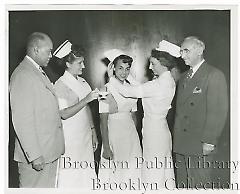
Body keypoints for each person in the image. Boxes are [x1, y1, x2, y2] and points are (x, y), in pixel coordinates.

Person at [108, 41, 180, 188]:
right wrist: (126, 77)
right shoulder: (166, 81)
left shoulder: (159, 84)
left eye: (153, 63)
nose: (149, 67)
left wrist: (111, 79)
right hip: (161, 130)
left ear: (162, 63)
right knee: (163, 170)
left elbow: (129, 92)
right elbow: (142, 88)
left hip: (154, 133)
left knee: (153, 170)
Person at [9, 32, 65, 187]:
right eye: (48, 51)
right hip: (38, 156)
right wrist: (34, 156)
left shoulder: (36, 71)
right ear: (35, 49)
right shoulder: (23, 75)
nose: (51, 55)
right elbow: (22, 120)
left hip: (48, 151)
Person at [172, 36, 228, 188]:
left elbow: (218, 111)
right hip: (181, 143)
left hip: (199, 143)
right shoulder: (183, 77)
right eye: (181, 51)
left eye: (186, 51)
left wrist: (209, 141)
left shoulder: (213, 75)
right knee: (182, 185)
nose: (182, 55)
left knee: (198, 185)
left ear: (200, 51)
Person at [53, 41, 99, 188]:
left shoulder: (83, 82)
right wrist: (86, 99)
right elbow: (64, 114)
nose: (83, 66)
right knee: (71, 175)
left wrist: (93, 131)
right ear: (68, 64)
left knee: (85, 174)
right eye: (80, 63)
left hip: (84, 136)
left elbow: (86, 109)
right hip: (71, 138)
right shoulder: (60, 85)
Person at [98, 49, 142, 185]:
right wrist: (106, 146)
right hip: (114, 134)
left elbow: (134, 116)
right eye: (120, 68)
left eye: (127, 69)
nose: (124, 72)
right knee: (117, 173)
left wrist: (135, 137)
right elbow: (102, 121)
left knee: (134, 169)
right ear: (113, 68)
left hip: (130, 134)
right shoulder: (104, 90)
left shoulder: (131, 88)